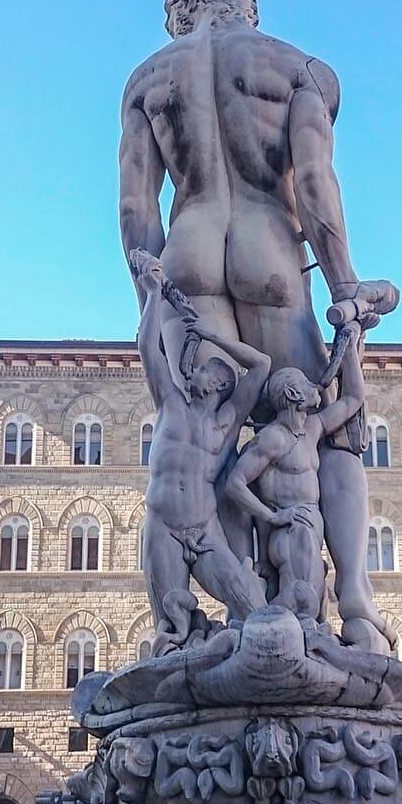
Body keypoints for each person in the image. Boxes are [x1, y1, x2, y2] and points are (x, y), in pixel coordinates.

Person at [119, 0, 399, 652]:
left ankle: (240, 613)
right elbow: (312, 181)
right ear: (247, 5)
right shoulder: (295, 67)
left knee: (211, 439)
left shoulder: (148, 79)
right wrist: (343, 287)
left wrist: (150, 305)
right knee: (322, 429)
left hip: (187, 256)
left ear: (179, 12)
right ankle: (355, 608)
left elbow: (134, 208)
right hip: (269, 249)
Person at [132, 249, 270, 631]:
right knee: (168, 630)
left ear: (220, 384)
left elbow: (261, 366)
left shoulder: (227, 421)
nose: (194, 369)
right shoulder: (171, 403)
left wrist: (213, 335)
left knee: (253, 609)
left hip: (206, 529)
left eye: (206, 367)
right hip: (164, 526)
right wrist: (153, 293)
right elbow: (147, 348)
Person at [225, 326, 365, 615]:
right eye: (304, 383)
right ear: (292, 394)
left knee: (314, 610)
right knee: (302, 604)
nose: (313, 385)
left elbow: (352, 400)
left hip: (311, 529)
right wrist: (274, 516)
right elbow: (235, 484)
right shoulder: (273, 438)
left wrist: (350, 349)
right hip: (291, 533)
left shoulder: (311, 429)